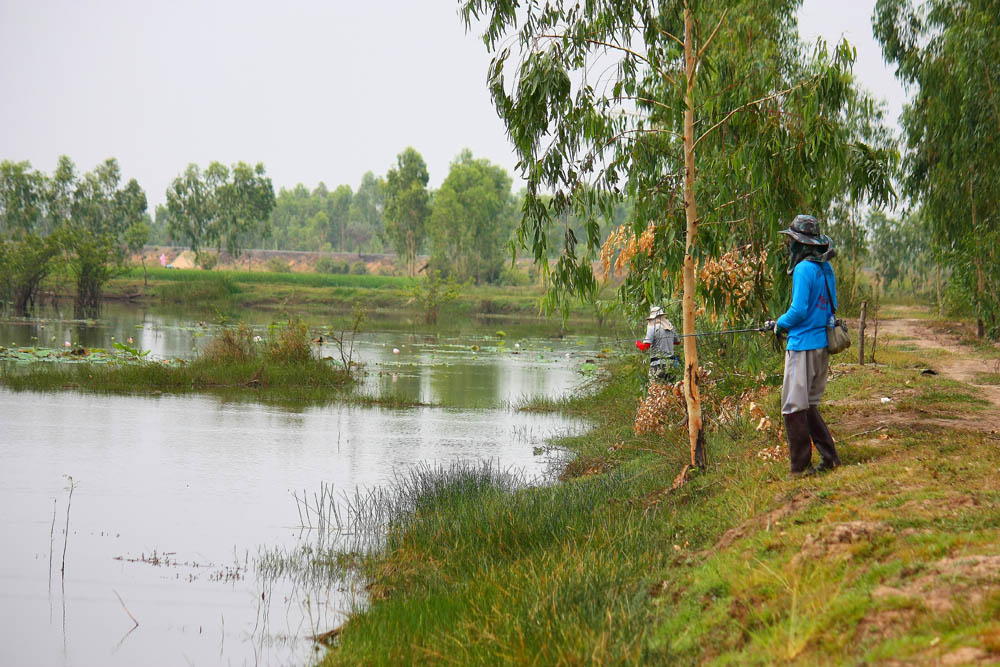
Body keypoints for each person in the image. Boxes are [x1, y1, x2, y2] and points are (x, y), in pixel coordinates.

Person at [765, 214, 841, 476]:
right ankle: (830, 458)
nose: (790, 246)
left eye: (792, 241)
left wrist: (779, 324)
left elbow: (797, 310)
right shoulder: (825, 269)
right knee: (808, 405)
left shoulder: (803, 269)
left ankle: (799, 467)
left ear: (801, 244)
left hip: (802, 346)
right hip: (821, 344)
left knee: (793, 406)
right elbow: (832, 306)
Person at [636, 306, 681, 383]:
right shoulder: (670, 326)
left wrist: (637, 343)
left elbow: (645, 347)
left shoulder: (652, 328)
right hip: (671, 364)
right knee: (670, 390)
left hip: (657, 365)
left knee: (655, 391)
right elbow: (677, 342)